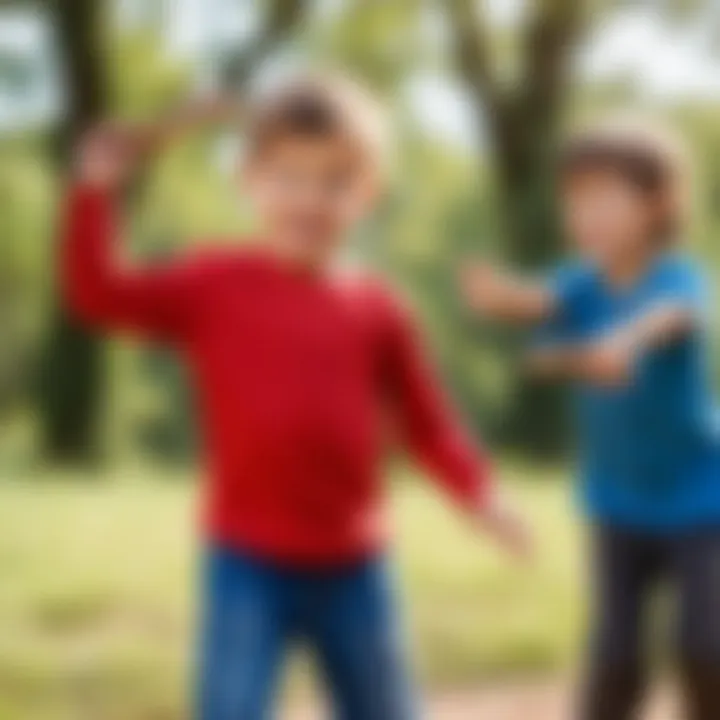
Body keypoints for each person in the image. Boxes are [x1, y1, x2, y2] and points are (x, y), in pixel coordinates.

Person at [63, 75, 529, 720]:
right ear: (249, 181)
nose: (309, 199)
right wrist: (94, 194)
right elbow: (99, 296)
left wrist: (481, 494)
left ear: (367, 192)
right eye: (287, 177)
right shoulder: (212, 283)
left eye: (335, 180)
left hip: (355, 567)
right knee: (230, 708)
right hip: (247, 561)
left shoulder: (380, 310)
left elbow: (428, 424)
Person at [461, 117, 720, 720]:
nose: (586, 216)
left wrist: (625, 341)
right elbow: (537, 312)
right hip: (617, 504)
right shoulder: (578, 283)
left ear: (657, 204)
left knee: (705, 648)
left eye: (604, 198)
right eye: (575, 201)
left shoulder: (678, 277)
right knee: (614, 658)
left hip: (702, 502)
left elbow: (672, 317)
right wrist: (501, 298)